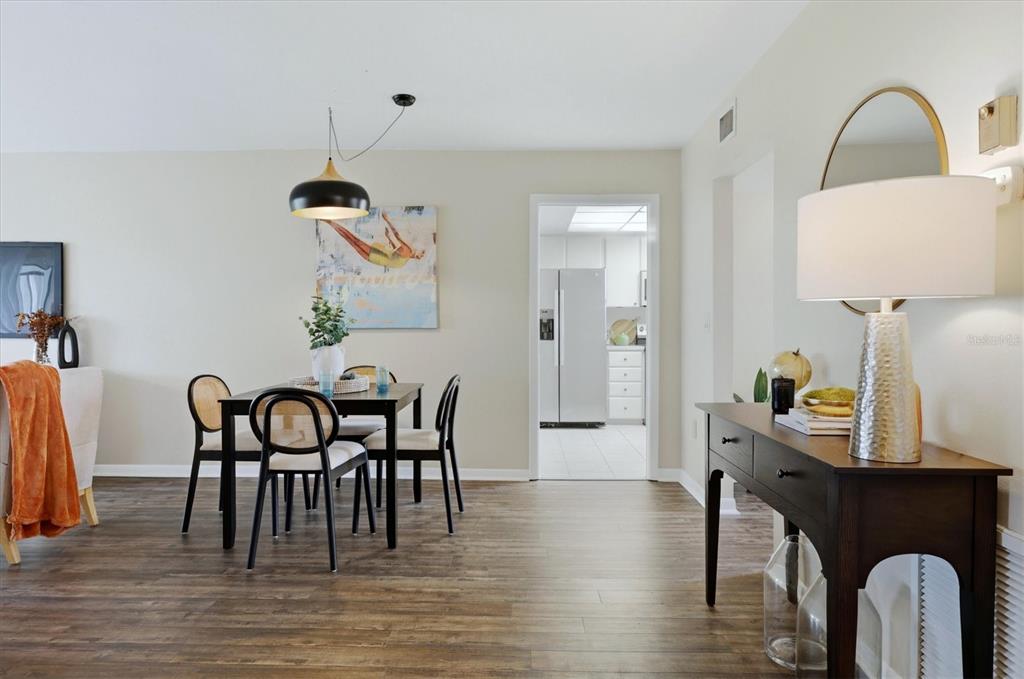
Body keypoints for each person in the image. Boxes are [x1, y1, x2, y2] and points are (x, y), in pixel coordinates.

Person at [324, 211, 425, 270]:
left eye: (421, 254)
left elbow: (397, 236)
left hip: (375, 255)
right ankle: (331, 223)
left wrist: (388, 220)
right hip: (373, 259)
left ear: (417, 256)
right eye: (422, 253)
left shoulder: (408, 252)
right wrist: (389, 237)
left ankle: (331, 223)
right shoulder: (405, 259)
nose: (421, 254)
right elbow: (396, 250)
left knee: (352, 239)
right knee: (351, 240)